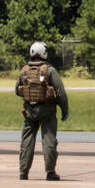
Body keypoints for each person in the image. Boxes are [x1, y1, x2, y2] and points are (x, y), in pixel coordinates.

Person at [16, 41, 69, 180]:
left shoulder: (24, 70)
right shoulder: (49, 70)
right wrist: (65, 111)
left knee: (27, 142)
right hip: (47, 113)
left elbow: (17, 90)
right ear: (44, 53)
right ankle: (50, 172)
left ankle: (23, 172)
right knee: (49, 142)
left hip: (29, 113)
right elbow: (61, 93)